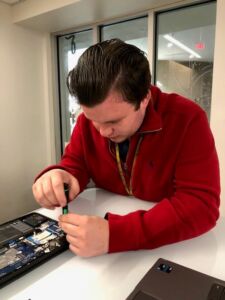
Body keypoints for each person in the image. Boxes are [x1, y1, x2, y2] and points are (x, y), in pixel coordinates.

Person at [32, 39, 220, 258]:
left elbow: (201, 206)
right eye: (93, 119)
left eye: (113, 122)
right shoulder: (87, 122)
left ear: (144, 98)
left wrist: (116, 234)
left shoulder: (188, 119)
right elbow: (75, 164)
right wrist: (59, 175)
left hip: (173, 250)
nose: (102, 132)